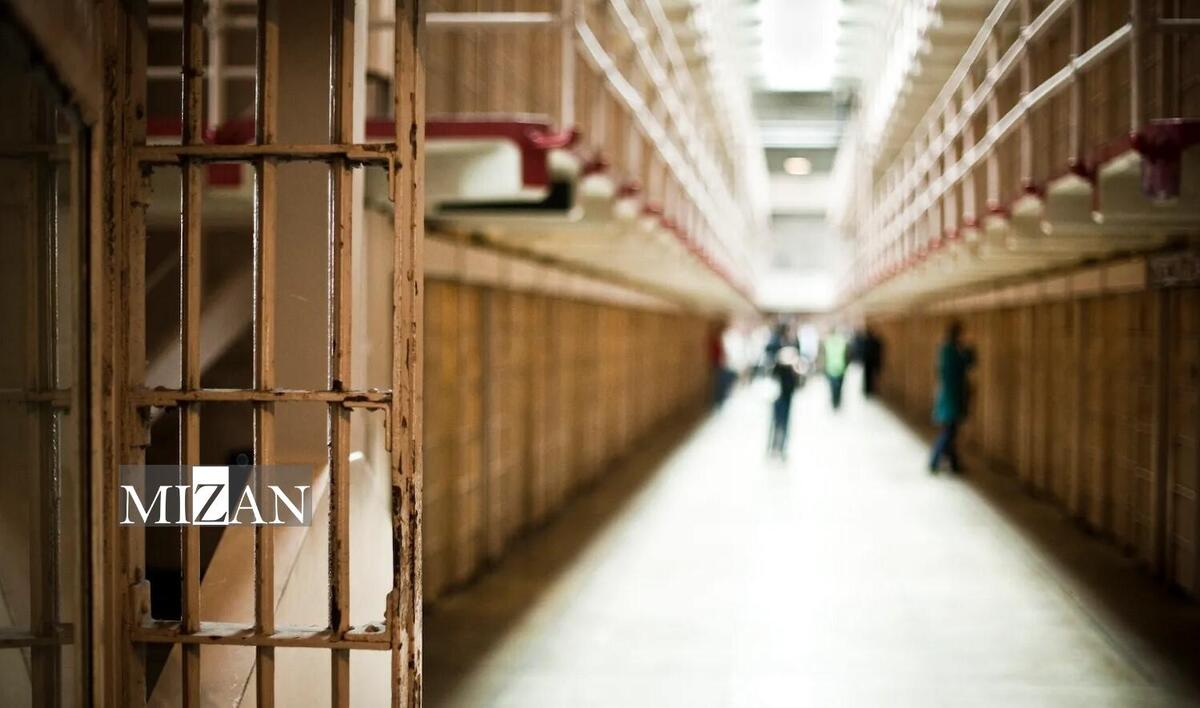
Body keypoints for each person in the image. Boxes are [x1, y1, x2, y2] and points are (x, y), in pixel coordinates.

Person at [930, 320, 975, 473]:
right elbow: (969, 361)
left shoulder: (945, 350)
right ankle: (935, 461)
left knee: (950, 432)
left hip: (948, 398)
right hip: (951, 399)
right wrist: (968, 347)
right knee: (949, 433)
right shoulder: (952, 351)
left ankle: (953, 463)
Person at [768, 346, 803, 457]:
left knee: (783, 425)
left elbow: (796, 385)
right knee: (776, 424)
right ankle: (773, 447)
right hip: (778, 399)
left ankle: (781, 448)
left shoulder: (792, 369)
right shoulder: (779, 368)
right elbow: (773, 377)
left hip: (786, 400)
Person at [821, 328, 849, 410]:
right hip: (841, 367)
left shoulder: (827, 342)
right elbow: (847, 355)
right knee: (839, 387)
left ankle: (834, 403)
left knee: (832, 387)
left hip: (830, 368)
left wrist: (823, 368)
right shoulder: (842, 341)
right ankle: (838, 402)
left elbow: (824, 356)